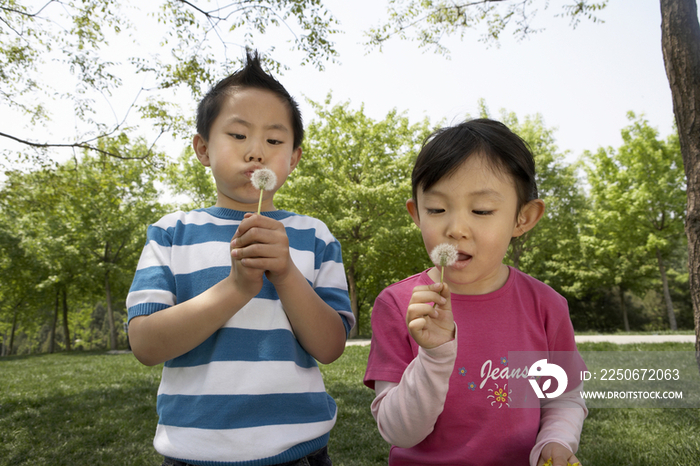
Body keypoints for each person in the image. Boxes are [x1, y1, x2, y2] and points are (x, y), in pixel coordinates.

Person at [126, 50, 354, 466]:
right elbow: (144, 344)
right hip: (193, 452)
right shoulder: (171, 233)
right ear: (202, 149)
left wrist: (284, 274)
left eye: (274, 140)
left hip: (298, 450)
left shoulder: (313, 235)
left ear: (294, 157)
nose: (256, 152)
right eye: (237, 135)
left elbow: (330, 346)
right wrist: (236, 288)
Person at [363, 119, 587, 466]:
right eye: (436, 209)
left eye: (481, 210)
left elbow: (563, 397)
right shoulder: (399, 305)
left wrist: (555, 440)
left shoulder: (545, 307)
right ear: (416, 214)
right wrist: (434, 355)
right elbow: (398, 432)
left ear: (523, 219)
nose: (455, 228)